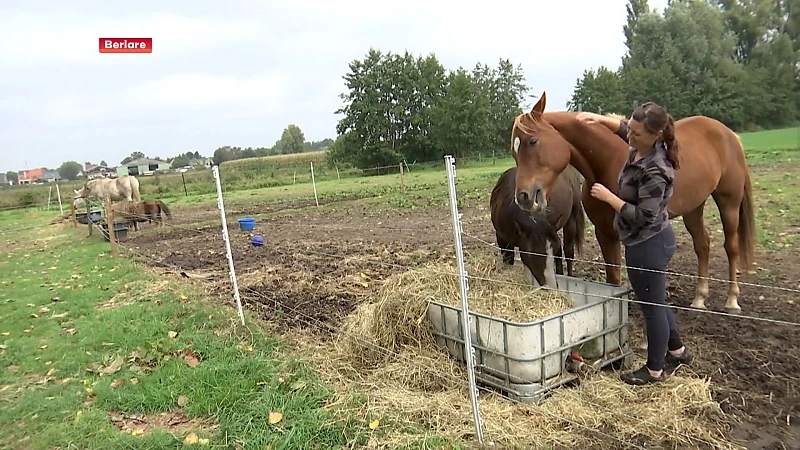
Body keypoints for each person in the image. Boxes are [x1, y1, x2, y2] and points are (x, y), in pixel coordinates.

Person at [576, 102, 693, 385]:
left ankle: (654, 370)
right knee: (656, 299)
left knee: (651, 307)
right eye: (631, 129)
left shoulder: (657, 168)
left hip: (649, 243)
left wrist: (610, 198)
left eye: (637, 134)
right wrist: (596, 117)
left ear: (656, 135)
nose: (630, 137)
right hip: (642, 242)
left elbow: (644, 216)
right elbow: (623, 128)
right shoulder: (641, 147)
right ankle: (677, 351)